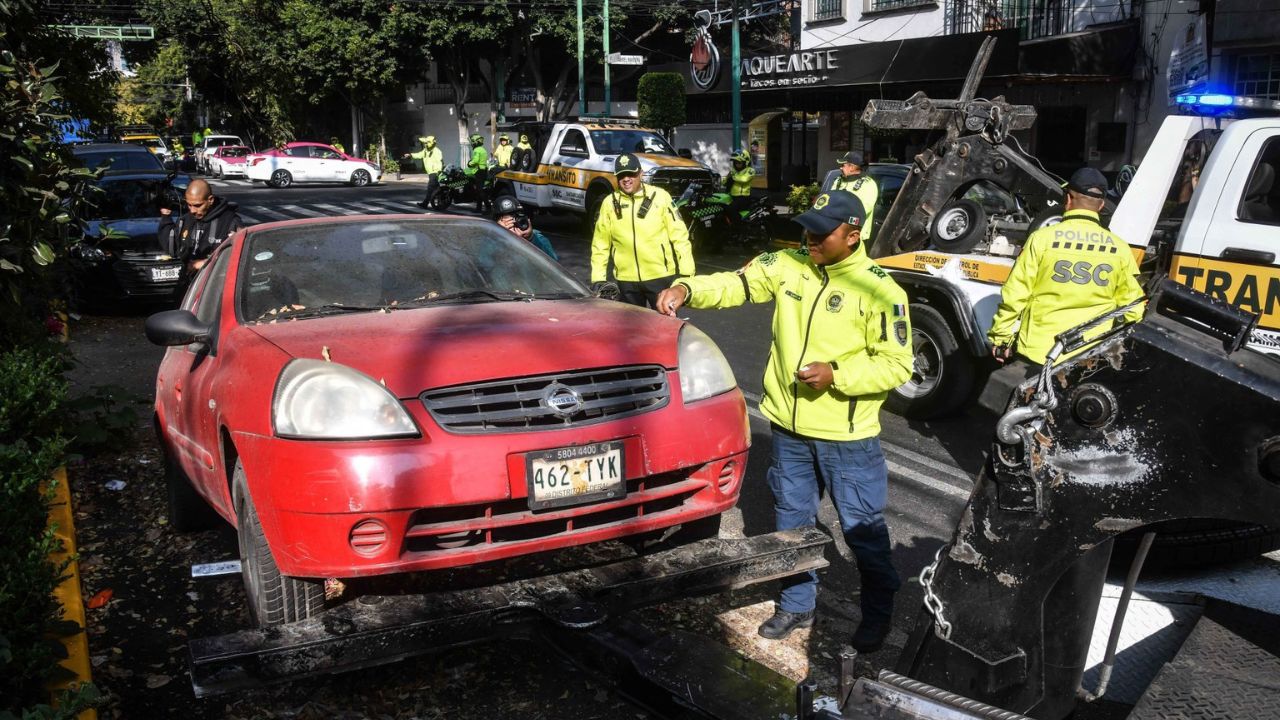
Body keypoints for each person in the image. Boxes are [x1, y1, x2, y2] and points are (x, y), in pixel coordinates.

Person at [655, 190, 913, 652]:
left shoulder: (882, 291)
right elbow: (736, 285)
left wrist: (838, 375)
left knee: (862, 532)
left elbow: (897, 365)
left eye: (822, 232)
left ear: (852, 236)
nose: (810, 237)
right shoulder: (787, 263)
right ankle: (796, 604)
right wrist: (687, 287)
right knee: (791, 524)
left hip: (846, 439)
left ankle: (878, 613)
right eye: (807, 228)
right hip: (789, 430)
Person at [987, 167, 1144, 365]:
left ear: (1068, 199)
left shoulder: (1041, 239)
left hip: (1039, 352)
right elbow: (1133, 307)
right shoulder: (1120, 249)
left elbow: (1016, 293)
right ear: (1101, 205)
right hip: (1089, 356)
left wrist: (1001, 338)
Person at [590, 153, 694, 308]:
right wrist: (598, 278)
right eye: (621, 175)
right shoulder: (609, 203)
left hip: (660, 277)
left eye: (631, 174)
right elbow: (600, 244)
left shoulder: (660, 197)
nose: (626, 179)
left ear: (641, 173)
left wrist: (687, 274)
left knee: (664, 327)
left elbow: (679, 236)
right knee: (632, 331)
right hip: (626, 281)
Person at [159, 178, 244, 273]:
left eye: (197, 205)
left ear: (210, 200)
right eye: (189, 205)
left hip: (215, 283)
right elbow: (173, 247)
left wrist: (205, 263)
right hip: (189, 282)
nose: (192, 210)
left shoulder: (229, 221)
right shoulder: (186, 219)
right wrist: (166, 217)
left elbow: (239, 255)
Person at [828, 151, 880, 241]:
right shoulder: (838, 181)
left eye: (843, 165)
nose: (840, 168)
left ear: (851, 167)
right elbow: (829, 202)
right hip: (836, 235)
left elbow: (862, 210)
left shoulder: (867, 184)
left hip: (856, 237)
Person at [493, 195, 557, 260]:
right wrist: (500, 236)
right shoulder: (490, 238)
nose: (513, 223)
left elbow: (553, 264)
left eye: (516, 217)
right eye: (507, 220)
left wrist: (530, 238)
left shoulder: (538, 238)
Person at [404, 135, 444, 209]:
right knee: (437, 189)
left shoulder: (437, 151)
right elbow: (419, 155)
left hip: (435, 172)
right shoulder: (426, 150)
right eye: (424, 143)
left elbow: (440, 162)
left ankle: (425, 203)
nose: (425, 145)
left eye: (426, 143)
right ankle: (441, 202)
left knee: (430, 188)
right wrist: (410, 155)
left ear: (431, 143)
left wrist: (438, 171)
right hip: (430, 172)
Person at [725, 149, 755, 228]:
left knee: (730, 209)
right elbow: (724, 182)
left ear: (745, 162)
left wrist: (732, 177)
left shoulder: (750, 170)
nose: (737, 164)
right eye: (735, 162)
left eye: (739, 162)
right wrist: (725, 179)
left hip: (744, 198)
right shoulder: (733, 171)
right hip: (732, 197)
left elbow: (744, 179)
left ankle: (739, 226)